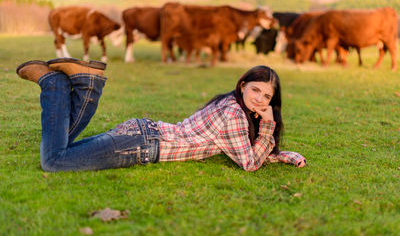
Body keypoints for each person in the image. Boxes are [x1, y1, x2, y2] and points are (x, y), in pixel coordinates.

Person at [16, 58, 306, 172]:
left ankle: (83, 82)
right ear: (243, 85)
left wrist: (285, 155)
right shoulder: (234, 115)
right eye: (255, 90)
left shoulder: (231, 103)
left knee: (62, 149)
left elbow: (244, 149)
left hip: (143, 134)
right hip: (140, 145)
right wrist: (268, 126)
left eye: (266, 96)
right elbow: (248, 162)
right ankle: (60, 84)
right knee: (55, 161)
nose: (260, 99)